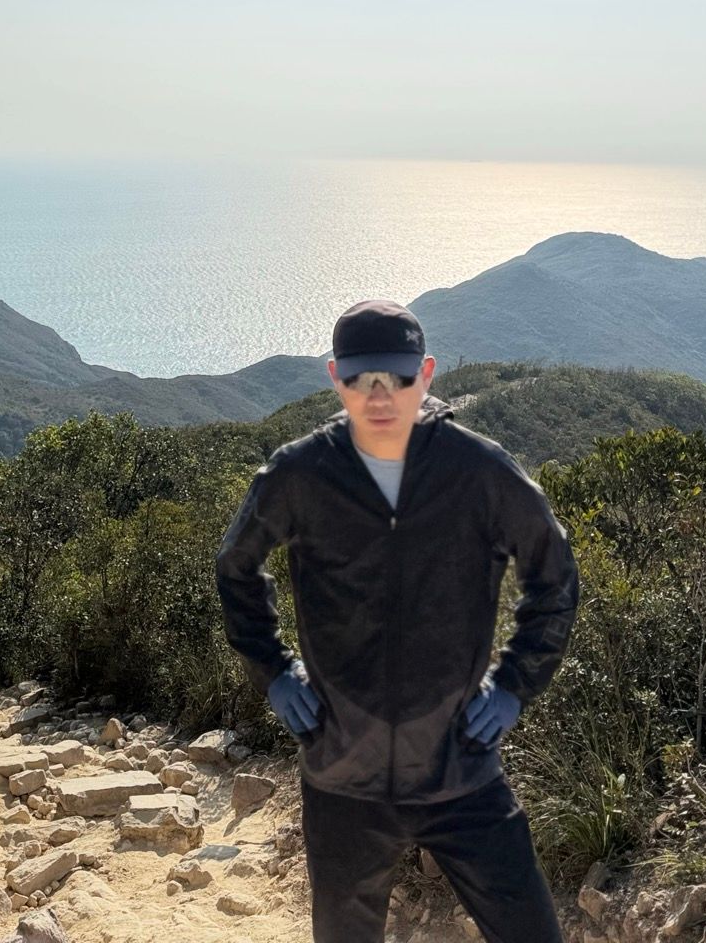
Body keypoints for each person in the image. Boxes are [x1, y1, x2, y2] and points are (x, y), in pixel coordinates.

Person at [215, 298, 580, 943]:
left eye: (398, 378)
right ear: (336, 378)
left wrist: (515, 685)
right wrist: (272, 672)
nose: (380, 396)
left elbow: (554, 576)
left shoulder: (478, 470)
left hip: (460, 769)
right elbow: (236, 567)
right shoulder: (301, 474)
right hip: (342, 776)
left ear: (427, 374)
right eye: (362, 379)